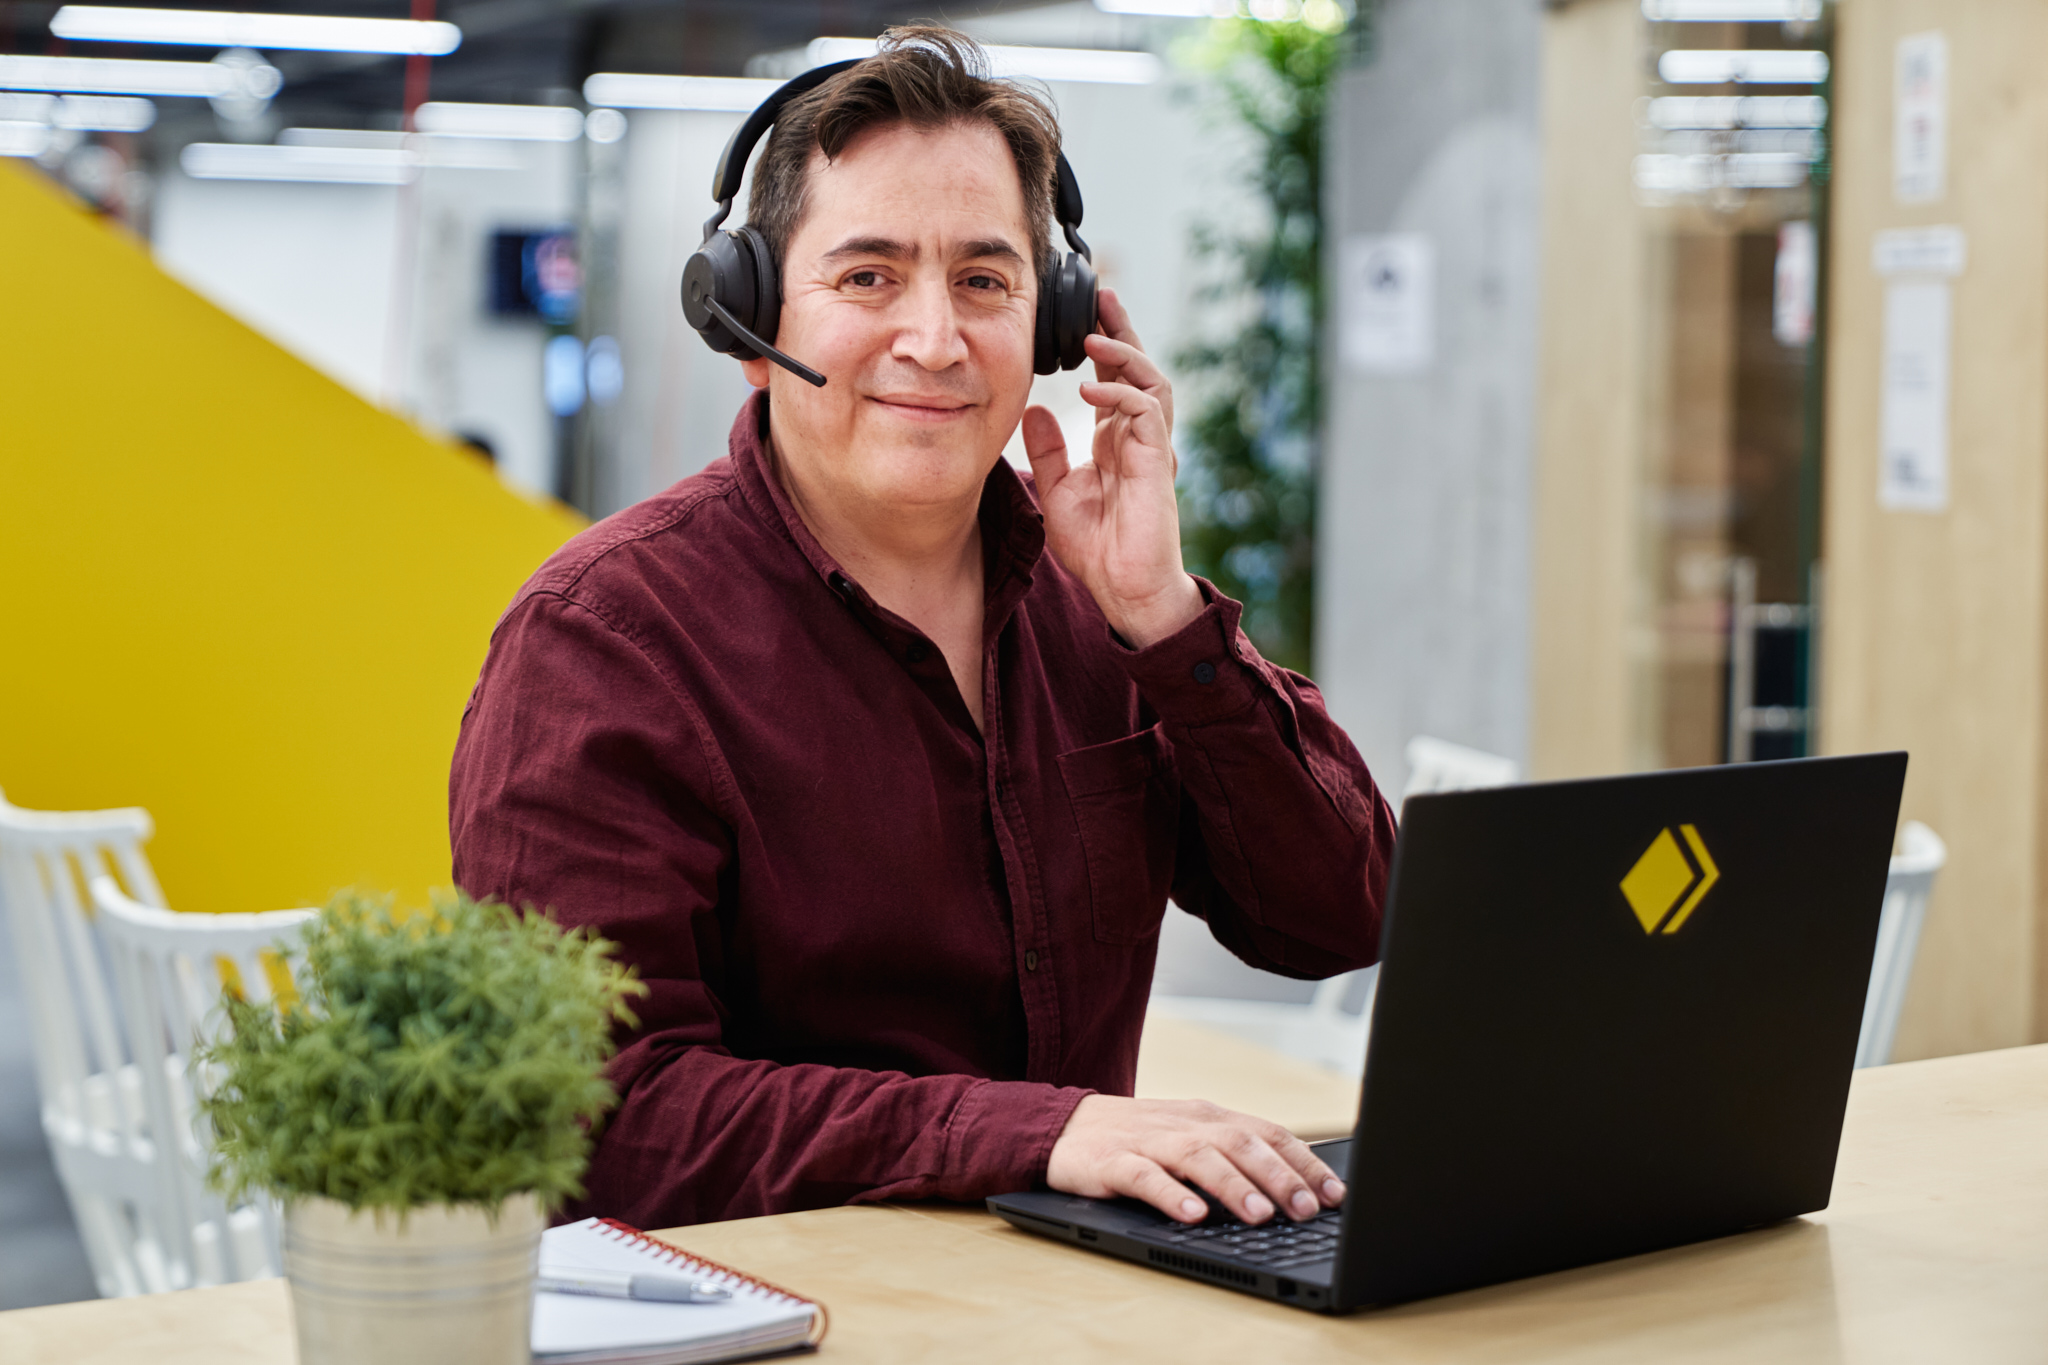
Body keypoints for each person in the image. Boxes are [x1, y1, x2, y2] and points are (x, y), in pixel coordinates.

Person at [449, 26, 1397, 1233]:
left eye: (986, 281)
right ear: (746, 321)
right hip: (760, 1316)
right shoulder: (604, 643)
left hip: (1061, 1311)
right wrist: (1034, 1131)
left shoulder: (1097, 608)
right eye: (866, 277)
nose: (937, 341)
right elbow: (602, 1113)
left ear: (1052, 324)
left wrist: (1163, 623)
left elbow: (1333, 919)